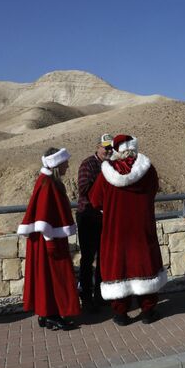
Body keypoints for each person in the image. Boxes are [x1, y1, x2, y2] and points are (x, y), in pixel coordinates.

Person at [89, 134, 165, 325]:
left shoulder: (106, 173)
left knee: (118, 267)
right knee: (144, 264)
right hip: (141, 228)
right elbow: (154, 190)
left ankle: (121, 313)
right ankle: (148, 311)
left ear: (117, 150)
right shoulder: (148, 170)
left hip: (115, 231)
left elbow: (95, 200)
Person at [17, 147, 81, 330]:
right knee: (54, 277)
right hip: (48, 241)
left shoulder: (47, 182)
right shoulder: (48, 185)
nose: (67, 165)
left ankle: (46, 313)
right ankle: (52, 314)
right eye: (65, 163)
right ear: (57, 164)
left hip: (47, 239)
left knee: (45, 277)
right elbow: (43, 217)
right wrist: (50, 242)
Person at [76, 133, 113, 310]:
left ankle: (100, 294)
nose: (108, 150)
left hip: (104, 217)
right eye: (105, 147)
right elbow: (83, 188)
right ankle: (86, 296)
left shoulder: (110, 165)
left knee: (103, 257)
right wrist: (102, 179)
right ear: (98, 147)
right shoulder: (88, 164)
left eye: (111, 147)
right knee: (88, 258)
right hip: (88, 216)